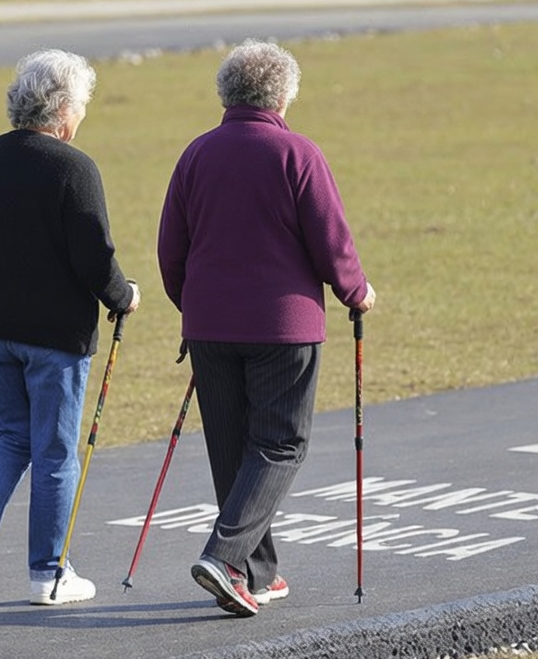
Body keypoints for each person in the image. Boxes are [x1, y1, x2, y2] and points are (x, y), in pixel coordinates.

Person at [156, 39, 375, 617]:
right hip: (282, 327)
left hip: (209, 325)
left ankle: (256, 573)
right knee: (280, 444)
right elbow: (331, 241)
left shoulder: (196, 153)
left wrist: (194, 305)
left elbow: (171, 249)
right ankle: (226, 558)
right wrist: (356, 291)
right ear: (283, 97)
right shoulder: (297, 153)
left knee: (233, 448)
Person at [0, 48, 140, 606]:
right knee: (55, 451)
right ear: (62, 109)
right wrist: (124, 297)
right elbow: (95, 259)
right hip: (55, 338)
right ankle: (49, 574)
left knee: (11, 436)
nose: (83, 115)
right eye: (82, 105)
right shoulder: (74, 167)